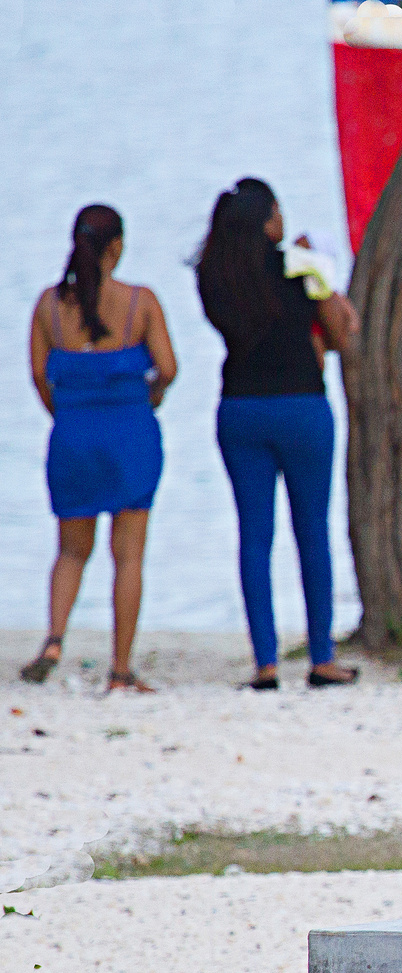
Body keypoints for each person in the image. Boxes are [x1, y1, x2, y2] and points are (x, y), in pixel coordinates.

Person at [194, 178, 359, 691]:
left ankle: (265, 663)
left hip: (240, 411)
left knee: (254, 536)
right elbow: (341, 332)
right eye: (278, 212)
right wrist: (322, 273)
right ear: (268, 221)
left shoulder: (214, 276)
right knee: (312, 532)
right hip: (301, 408)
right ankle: (322, 656)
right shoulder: (296, 266)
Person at [20, 205, 177, 692]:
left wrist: (70, 415)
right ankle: (121, 669)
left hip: (72, 438)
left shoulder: (48, 307)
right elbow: (168, 368)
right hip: (131, 434)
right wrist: (147, 397)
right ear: (117, 247)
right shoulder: (141, 302)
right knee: (127, 556)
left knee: (70, 550)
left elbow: (40, 379)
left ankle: (53, 638)